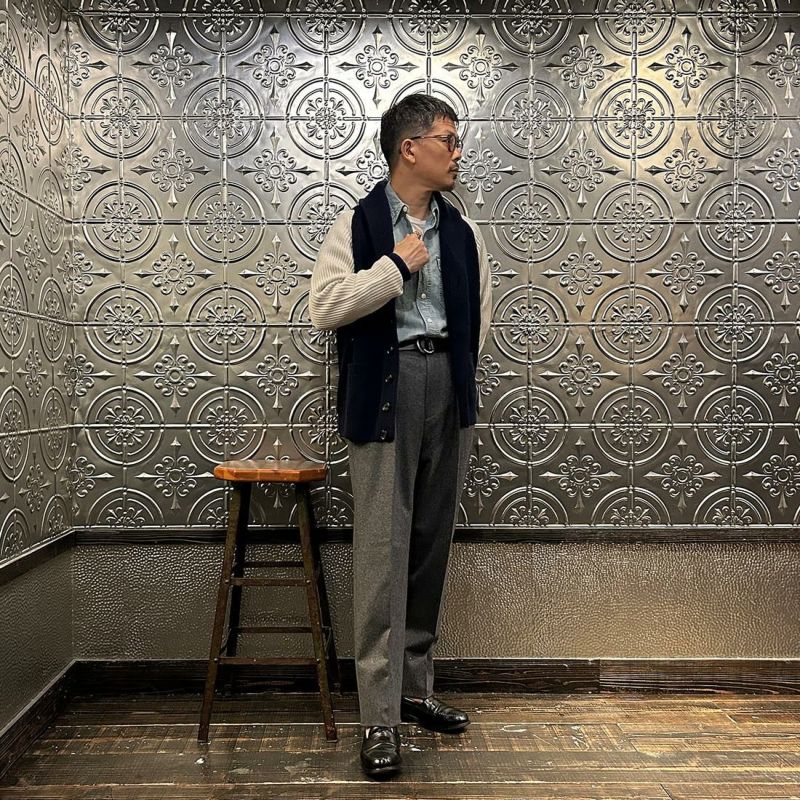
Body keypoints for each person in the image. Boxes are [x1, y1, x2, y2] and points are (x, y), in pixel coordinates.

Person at [310, 93, 492, 779]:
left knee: (428, 546)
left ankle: (414, 691)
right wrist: (395, 268)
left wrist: (453, 375)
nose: (457, 151)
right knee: (383, 552)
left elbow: (480, 319)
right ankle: (377, 716)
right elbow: (325, 306)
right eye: (448, 139)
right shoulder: (356, 224)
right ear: (409, 148)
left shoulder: (464, 232)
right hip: (385, 396)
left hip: (448, 387)